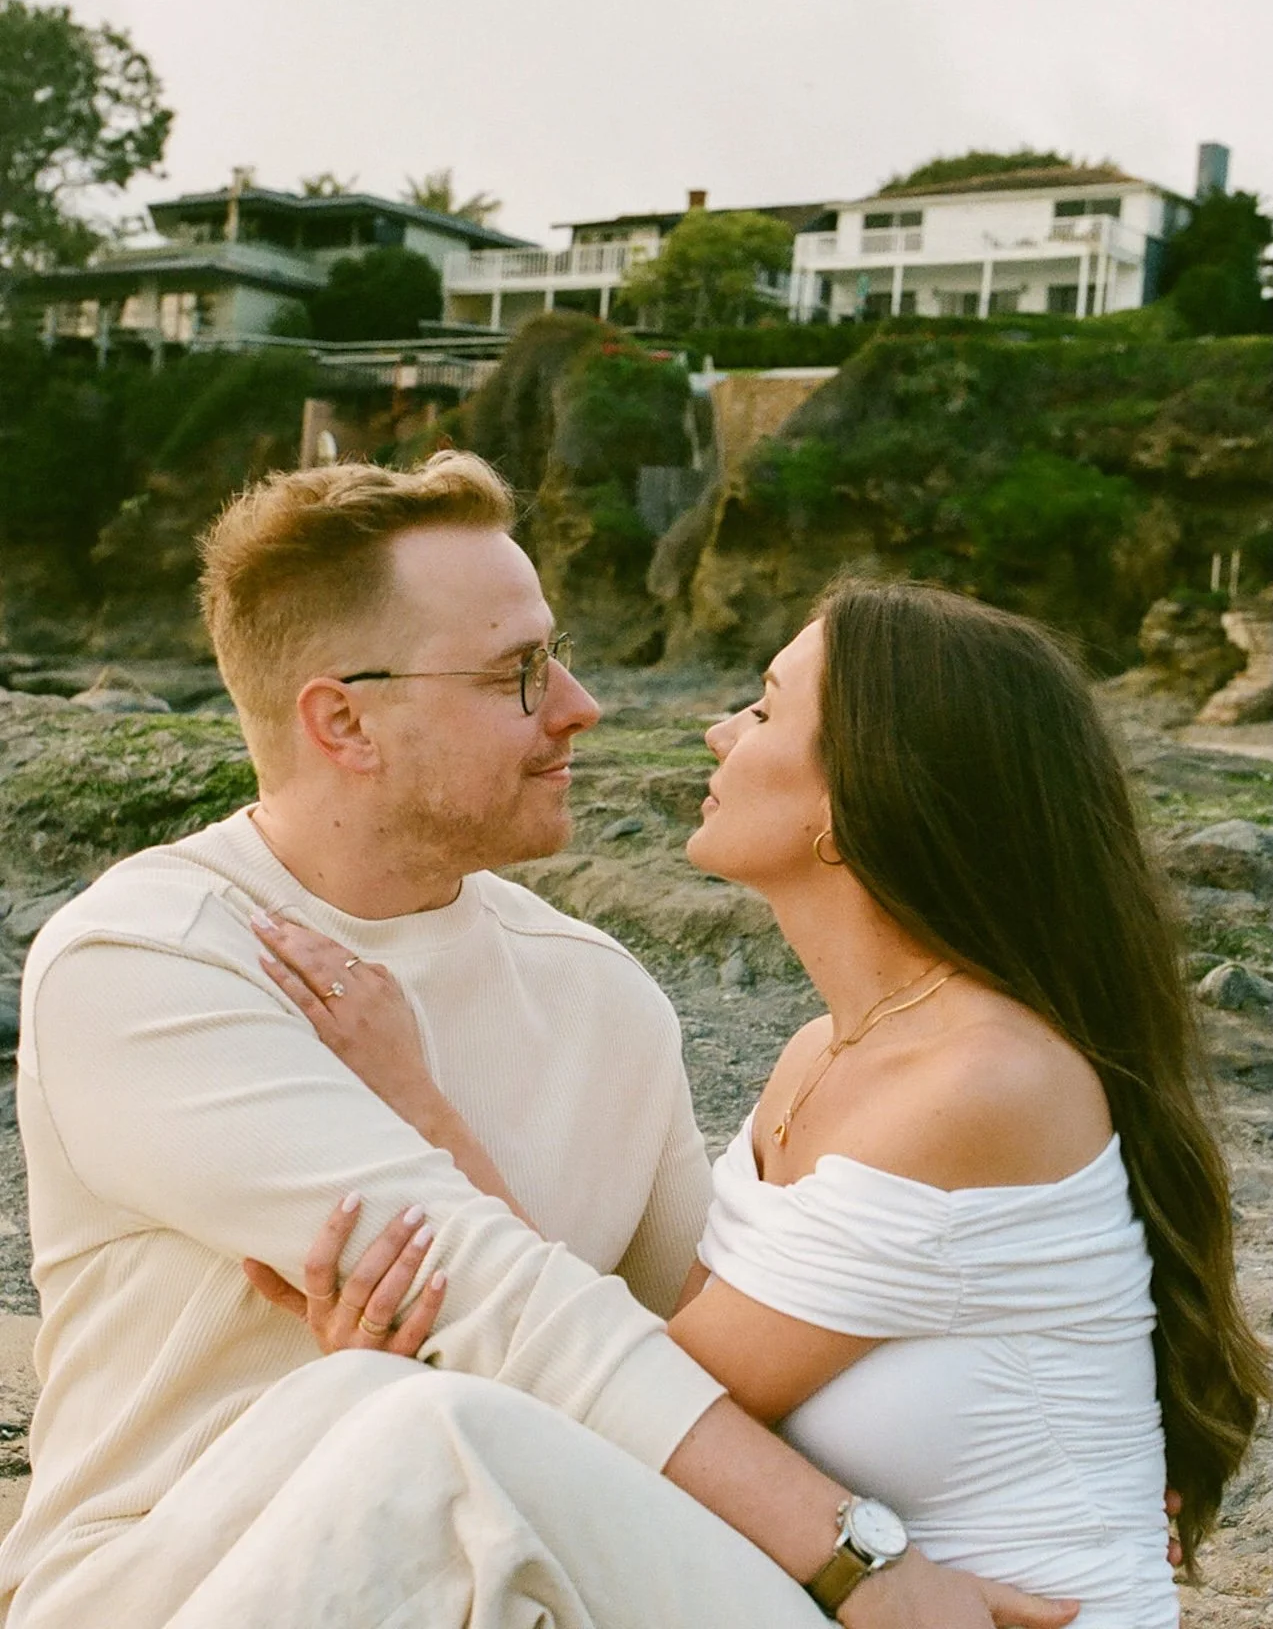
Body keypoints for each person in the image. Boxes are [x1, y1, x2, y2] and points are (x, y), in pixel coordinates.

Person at [0, 453, 1070, 1629]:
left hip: (521, 1572)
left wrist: (1033, 1482)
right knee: (422, 1432)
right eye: (518, 673)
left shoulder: (598, 993)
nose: (577, 704)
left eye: (555, 655)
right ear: (344, 719)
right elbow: (496, 1297)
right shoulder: (154, 961)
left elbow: (703, 1368)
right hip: (162, 1578)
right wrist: (864, 1564)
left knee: (435, 1427)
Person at [247, 574, 1268, 1629]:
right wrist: (409, 1333)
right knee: (368, 1418)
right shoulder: (820, 1054)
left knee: (434, 1443)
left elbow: (635, 1401)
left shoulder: (981, 1084)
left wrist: (421, 1110)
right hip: (805, 1601)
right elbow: (655, 1384)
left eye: (766, 708)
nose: (716, 731)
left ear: (858, 794)